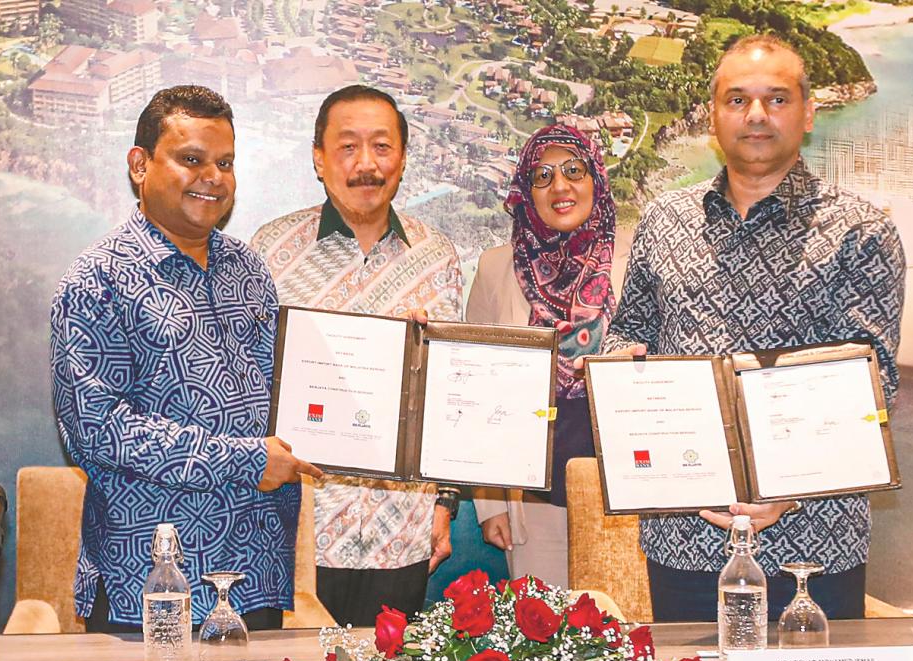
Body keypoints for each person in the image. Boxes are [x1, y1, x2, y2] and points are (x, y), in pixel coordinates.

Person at [601, 35, 906, 621]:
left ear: (809, 112)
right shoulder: (666, 219)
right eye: (737, 99)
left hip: (815, 544)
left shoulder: (860, 230)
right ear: (714, 115)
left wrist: (787, 488)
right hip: (683, 535)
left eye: (777, 98)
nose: (757, 115)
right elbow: (629, 331)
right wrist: (623, 377)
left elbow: (876, 385)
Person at [51, 85, 321, 632]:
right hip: (151, 585)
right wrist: (247, 461)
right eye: (191, 159)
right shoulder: (96, 280)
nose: (213, 177)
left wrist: (398, 373)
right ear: (139, 164)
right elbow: (99, 432)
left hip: (253, 575)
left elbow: (289, 391)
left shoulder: (248, 269)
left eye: (225, 162)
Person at [250, 85, 462, 626]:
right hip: (297, 529)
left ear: (403, 158)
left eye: (382, 147)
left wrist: (445, 505)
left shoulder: (437, 257)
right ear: (318, 158)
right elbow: (246, 385)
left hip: (402, 531)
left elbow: (450, 396)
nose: (366, 164)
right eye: (347, 147)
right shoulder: (268, 251)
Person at [467, 124, 631, 587]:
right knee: (545, 631)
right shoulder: (495, 267)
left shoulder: (632, 256)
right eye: (542, 176)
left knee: (625, 628)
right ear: (525, 191)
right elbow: (476, 388)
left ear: (596, 179)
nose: (561, 187)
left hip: (620, 488)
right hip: (532, 491)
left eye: (574, 171)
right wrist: (491, 501)